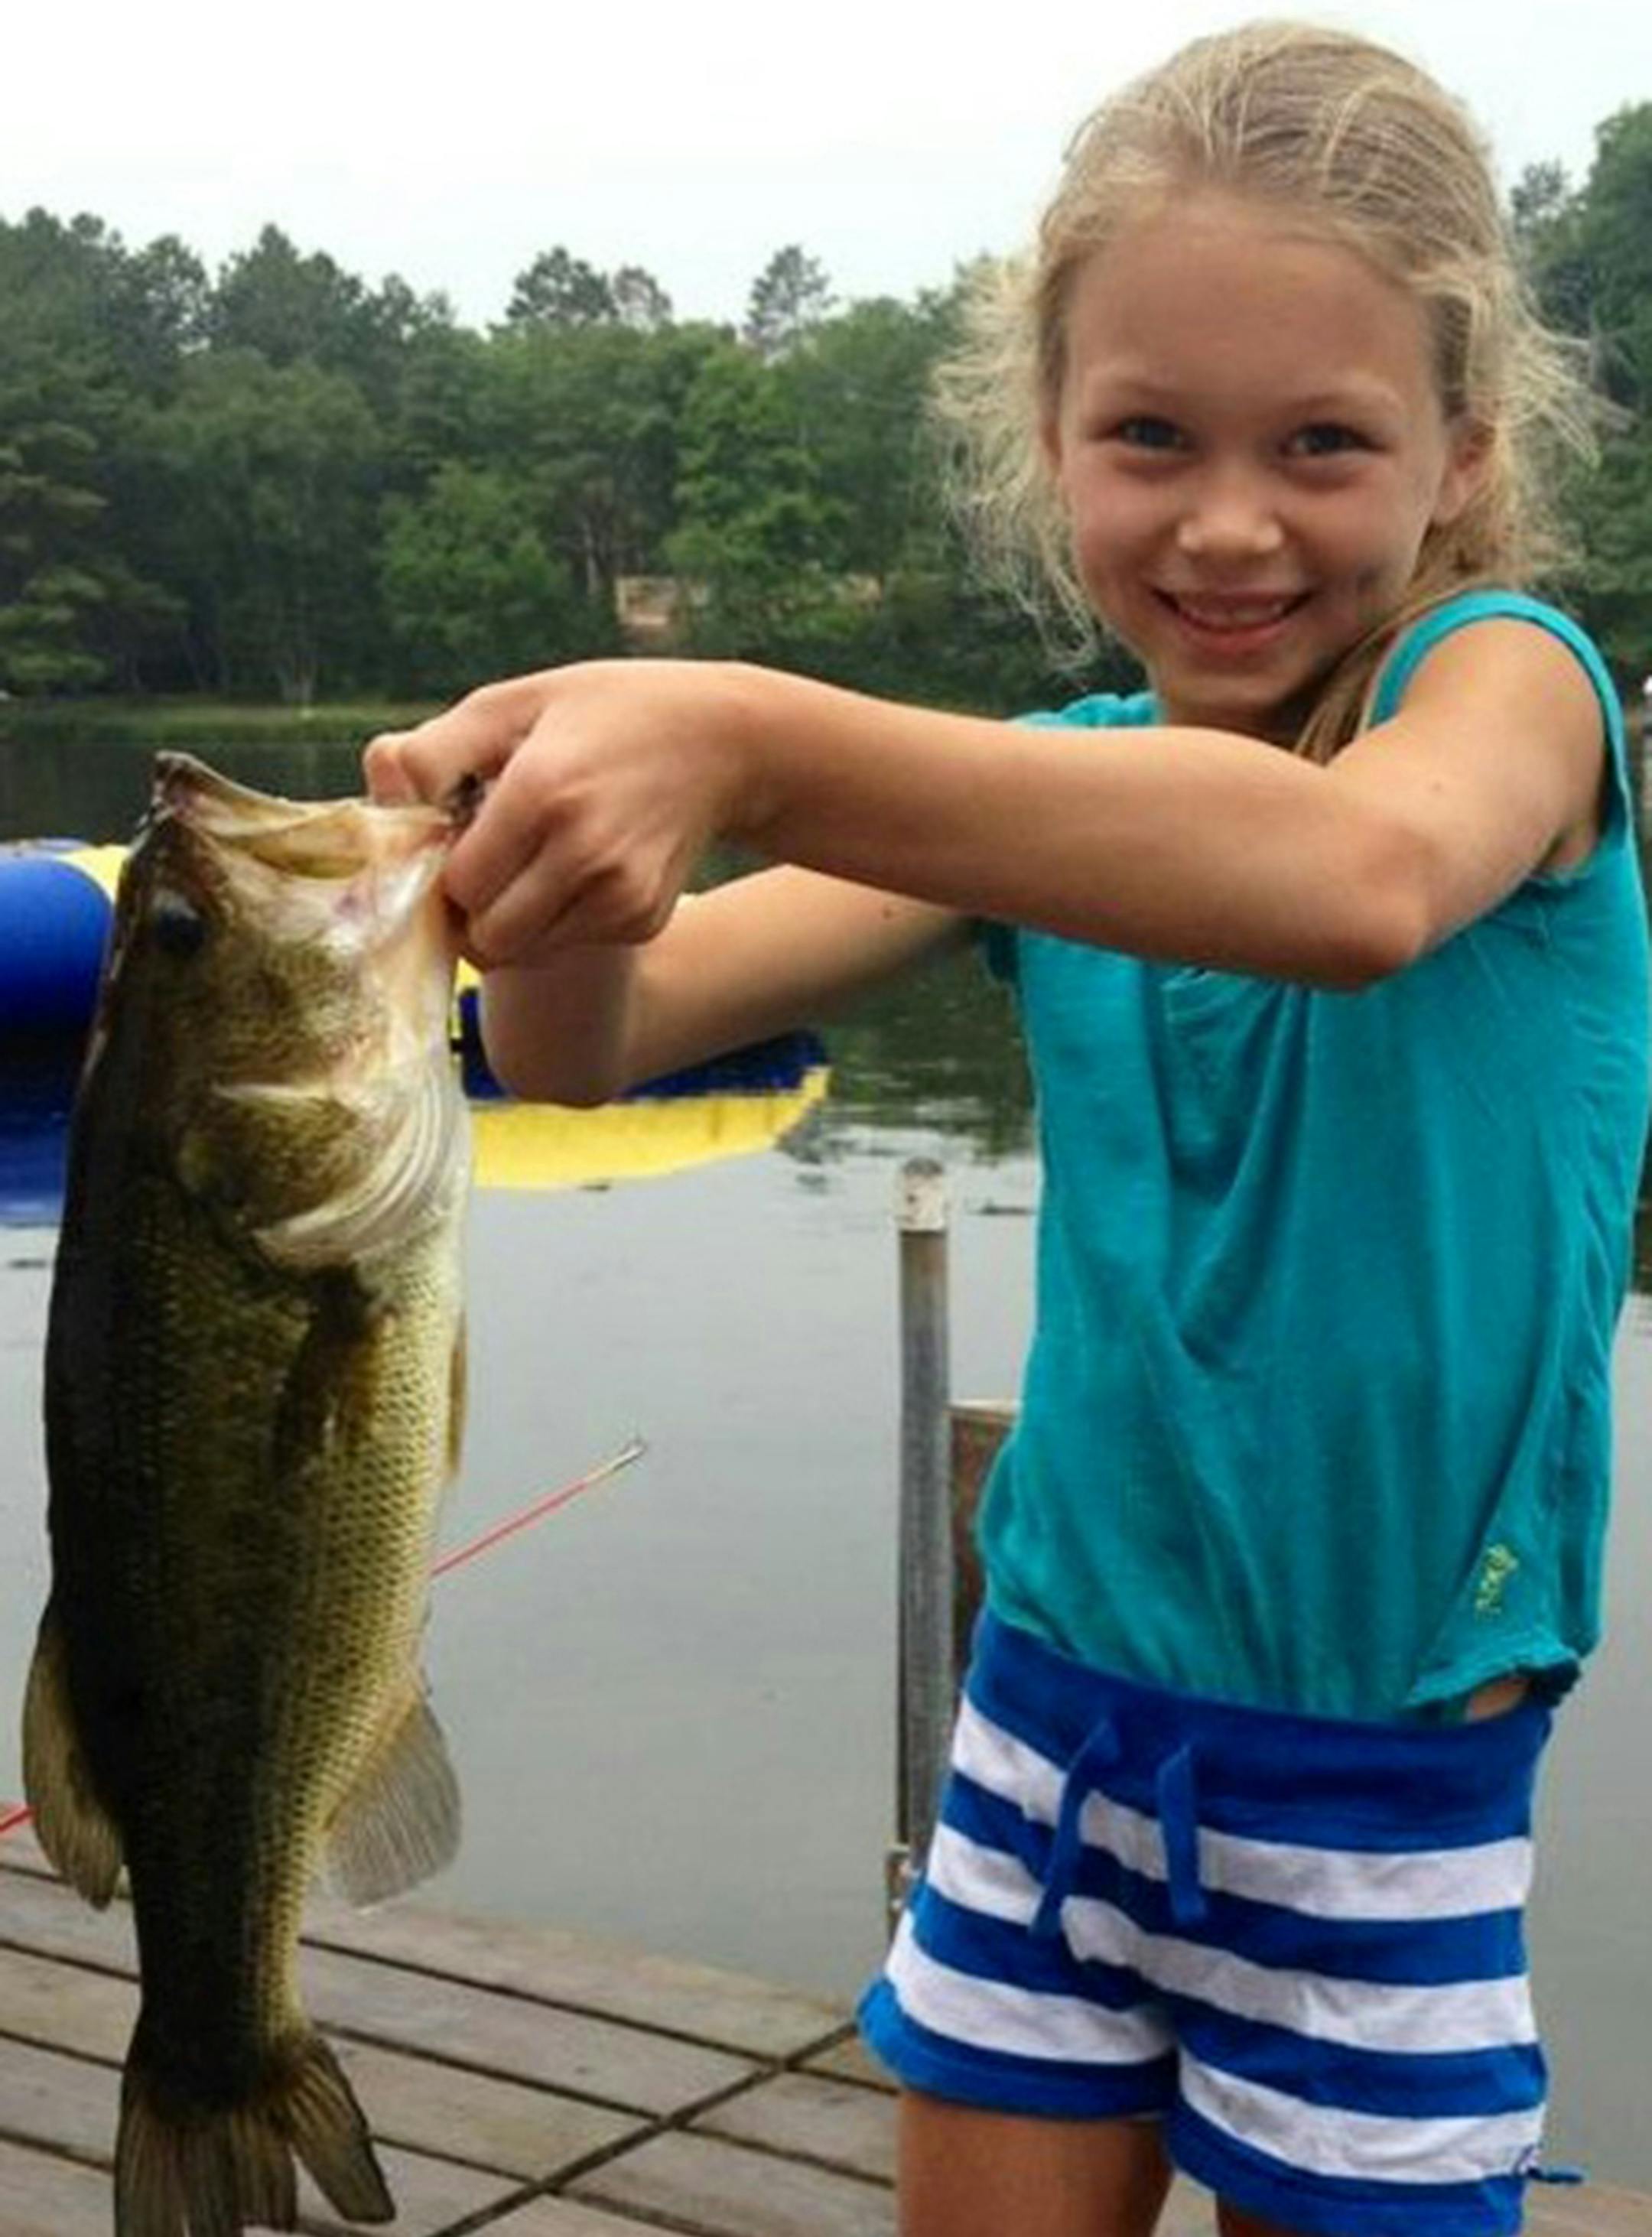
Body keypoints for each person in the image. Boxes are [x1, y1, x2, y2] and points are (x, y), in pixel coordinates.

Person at [363, 21, 1650, 2235]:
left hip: (1382, 1770)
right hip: (1046, 1726)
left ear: (1461, 451)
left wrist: (750, 733)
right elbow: (591, 1046)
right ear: (1049, 445)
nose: (1229, 519)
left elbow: (1361, 884)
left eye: (1324, 443)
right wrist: (549, 871)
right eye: (1148, 434)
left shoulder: (1513, 692)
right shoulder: (1044, 787)